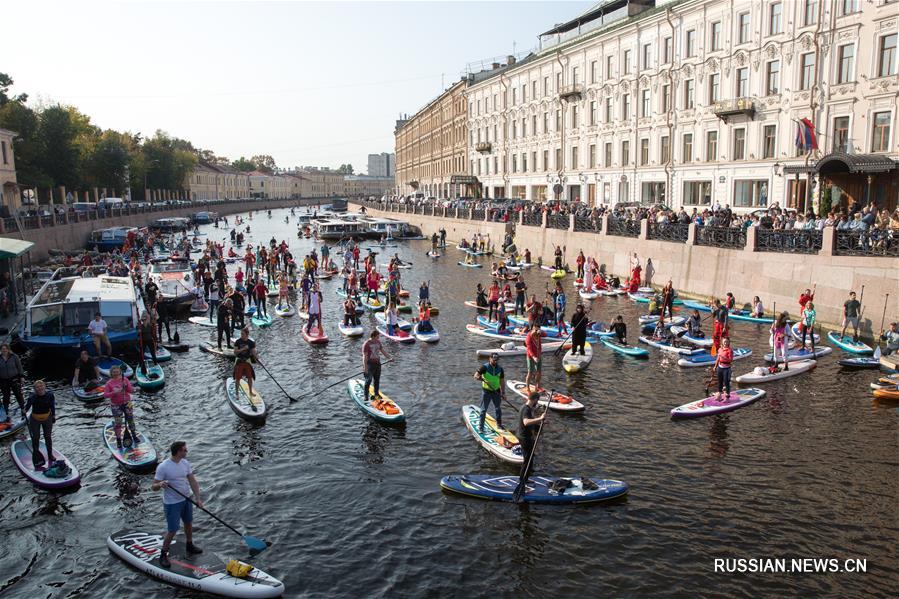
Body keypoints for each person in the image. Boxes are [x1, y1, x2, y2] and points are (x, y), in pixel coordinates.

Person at [152, 441, 203, 569]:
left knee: (188, 523)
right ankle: (163, 554)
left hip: (186, 499)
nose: (187, 452)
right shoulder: (163, 467)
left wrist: (198, 498)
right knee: (173, 529)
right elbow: (154, 486)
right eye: (185, 450)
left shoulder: (185, 463)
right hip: (172, 503)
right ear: (178, 451)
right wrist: (160, 484)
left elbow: (192, 481)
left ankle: (189, 545)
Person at [515, 390, 546, 500]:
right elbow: (526, 422)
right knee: (527, 460)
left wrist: (538, 424)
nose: (536, 404)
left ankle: (525, 479)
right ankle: (522, 482)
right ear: (534, 400)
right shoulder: (526, 409)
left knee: (529, 459)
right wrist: (540, 419)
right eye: (536, 401)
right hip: (525, 438)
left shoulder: (526, 408)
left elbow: (530, 423)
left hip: (525, 436)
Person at [103, 365, 137, 450]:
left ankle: (134, 435)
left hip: (127, 403)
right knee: (118, 423)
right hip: (116, 405)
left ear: (120, 372)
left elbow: (131, 390)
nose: (116, 373)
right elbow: (105, 395)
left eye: (117, 372)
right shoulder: (109, 383)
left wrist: (128, 387)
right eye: (114, 372)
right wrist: (114, 393)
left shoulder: (124, 379)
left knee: (130, 420)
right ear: (111, 373)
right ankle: (118, 440)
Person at [24, 380, 55, 467]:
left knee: (48, 436)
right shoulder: (32, 397)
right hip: (35, 419)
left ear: (44, 387)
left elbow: (52, 406)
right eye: (37, 387)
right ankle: (36, 454)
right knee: (36, 437)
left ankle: (50, 455)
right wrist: (24, 410)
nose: (40, 388)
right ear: (35, 389)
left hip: (47, 417)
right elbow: (27, 407)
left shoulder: (50, 395)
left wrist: (54, 416)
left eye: (41, 386)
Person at [473, 353, 506, 433]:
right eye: (493, 360)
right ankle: (481, 427)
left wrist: (503, 393)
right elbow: (475, 375)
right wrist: (480, 378)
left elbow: (502, 381)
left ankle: (499, 424)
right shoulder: (484, 367)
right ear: (490, 359)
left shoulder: (500, 369)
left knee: (498, 408)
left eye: (496, 360)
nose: (495, 361)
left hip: (496, 391)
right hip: (486, 391)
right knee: (483, 410)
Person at [362, 329, 390, 400]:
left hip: (377, 363)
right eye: (377, 336)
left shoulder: (378, 342)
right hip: (369, 364)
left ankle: (376, 394)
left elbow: (382, 350)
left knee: (377, 380)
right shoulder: (366, 344)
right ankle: (365, 395)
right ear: (373, 336)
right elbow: (365, 356)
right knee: (368, 380)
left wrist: (389, 358)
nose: (379, 338)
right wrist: (365, 368)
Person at [0, 343, 25, 421]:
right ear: (1, 350)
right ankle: (6, 412)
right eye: (2, 349)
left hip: (14, 378)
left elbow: (19, 367)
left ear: (8, 349)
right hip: (3, 380)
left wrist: (21, 377)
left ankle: (23, 409)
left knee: (18, 394)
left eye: (5, 349)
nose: (4, 350)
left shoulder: (14, 357)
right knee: (6, 396)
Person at [233, 327, 258, 397]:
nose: (241, 335)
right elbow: (235, 352)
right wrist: (243, 349)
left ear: (247, 334)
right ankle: (237, 393)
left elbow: (254, 352)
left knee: (250, 377)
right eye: (241, 334)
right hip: (239, 361)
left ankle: (250, 392)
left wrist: (257, 358)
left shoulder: (251, 343)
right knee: (237, 378)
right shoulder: (237, 342)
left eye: (243, 334)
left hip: (247, 362)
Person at [524, 323, 542, 390]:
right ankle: (527, 387)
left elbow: (540, 345)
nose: (536, 330)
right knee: (530, 372)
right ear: (532, 328)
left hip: (538, 355)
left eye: (538, 329)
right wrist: (533, 357)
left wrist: (539, 355)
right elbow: (529, 349)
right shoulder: (529, 337)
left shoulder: (539, 335)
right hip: (530, 356)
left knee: (539, 371)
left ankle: (538, 385)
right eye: (535, 329)